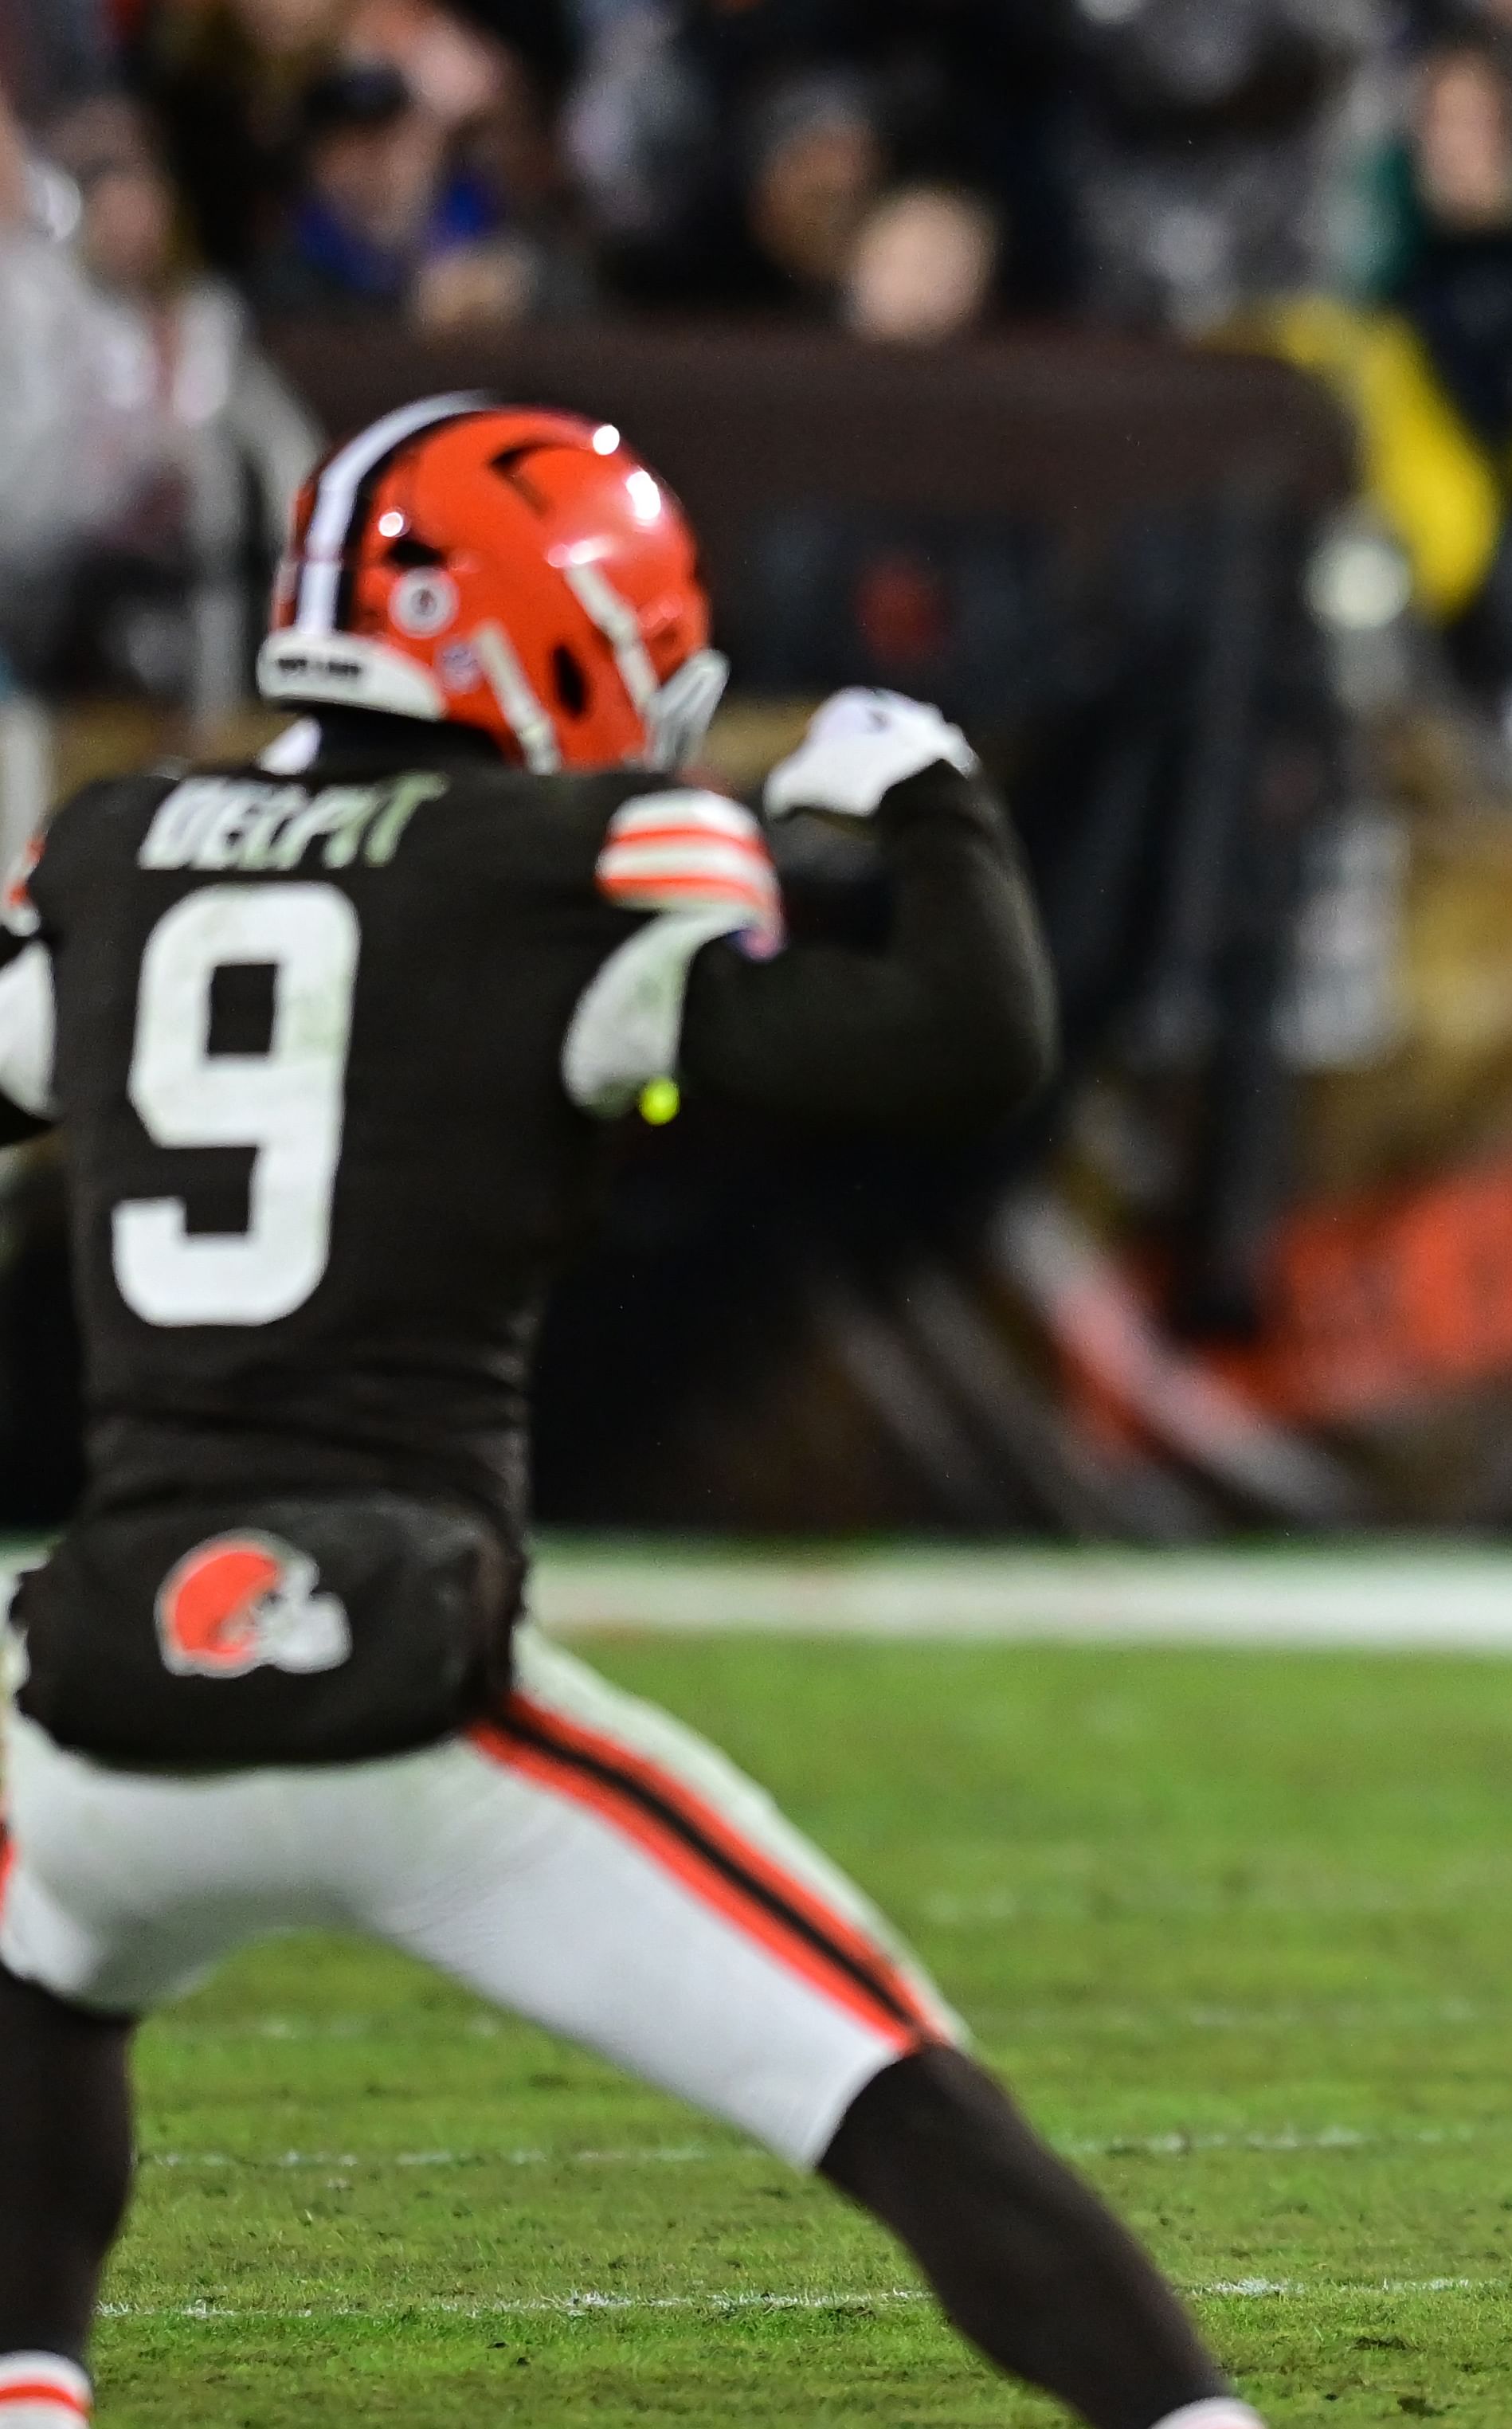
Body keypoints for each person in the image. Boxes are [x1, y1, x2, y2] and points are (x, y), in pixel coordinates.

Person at [0, 398, 1264, 2429]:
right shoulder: (569, 863)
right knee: (889, 2082)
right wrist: (932, 803)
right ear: (537, 633)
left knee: (45, 1977)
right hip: (411, 1686)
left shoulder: (120, 851)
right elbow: (963, 1040)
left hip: (96, 1687)